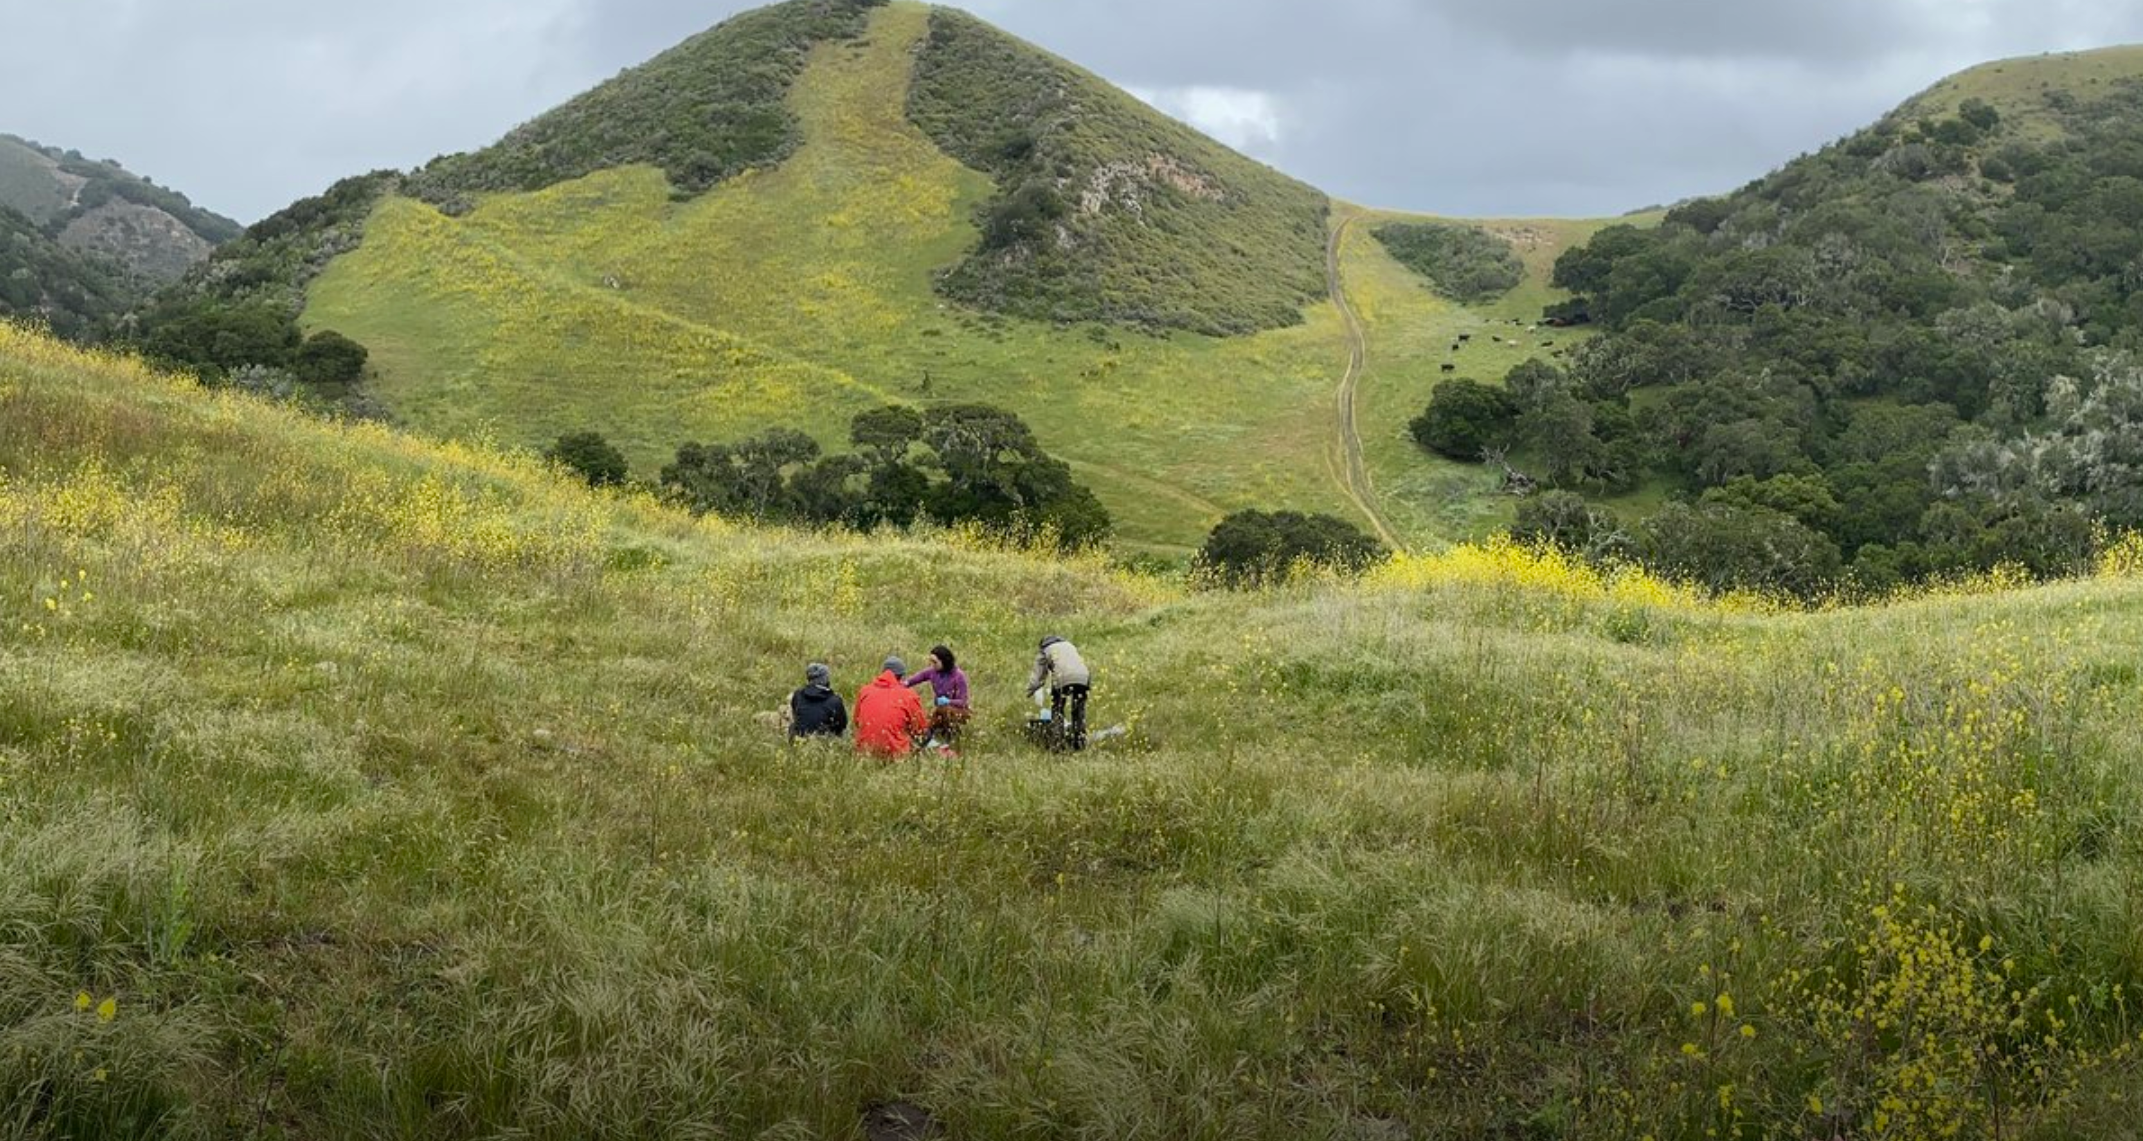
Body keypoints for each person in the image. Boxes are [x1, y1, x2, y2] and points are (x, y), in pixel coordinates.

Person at [854, 655, 929, 759]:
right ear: (901, 676)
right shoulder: (909, 695)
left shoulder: (865, 691)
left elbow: (857, 721)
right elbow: (921, 729)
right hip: (896, 754)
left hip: (864, 752)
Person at [1026, 636, 1092, 752]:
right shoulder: (1069, 645)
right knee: (1078, 710)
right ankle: (1079, 742)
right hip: (1084, 677)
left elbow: (1038, 677)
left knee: (1057, 709)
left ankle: (1057, 743)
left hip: (1062, 678)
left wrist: (1029, 691)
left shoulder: (1045, 650)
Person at [904, 645, 971, 748]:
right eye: (931, 661)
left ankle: (949, 738)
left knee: (942, 711)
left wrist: (948, 701)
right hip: (940, 710)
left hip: (959, 711)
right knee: (928, 722)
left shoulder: (958, 676)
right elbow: (917, 678)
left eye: (935, 662)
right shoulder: (932, 672)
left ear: (944, 661)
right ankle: (930, 737)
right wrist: (903, 684)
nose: (932, 665)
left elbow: (963, 701)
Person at [789, 662, 848, 741]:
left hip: (799, 740)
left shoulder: (798, 695)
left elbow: (795, 715)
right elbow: (842, 725)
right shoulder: (835, 701)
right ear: (826, 679)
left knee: (792, 725)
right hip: (824, 743)